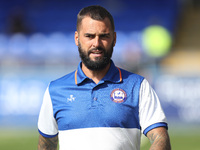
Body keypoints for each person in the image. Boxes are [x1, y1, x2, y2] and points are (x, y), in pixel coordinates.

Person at [37, 5, 171, 150]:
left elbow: (160, 137)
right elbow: (46, 145)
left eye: (104, 36)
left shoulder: (138, 86)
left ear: (114, 39)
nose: (96, 43)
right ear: (77, 38)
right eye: (89, 36)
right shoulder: (55, 90)